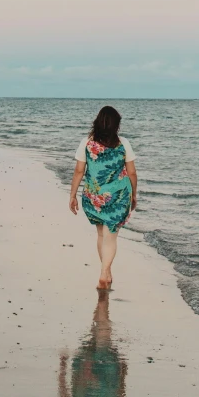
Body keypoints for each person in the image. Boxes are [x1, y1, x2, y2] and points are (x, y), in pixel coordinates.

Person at [69, 105, 137, 290]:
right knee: (111, 237)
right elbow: (132, 173)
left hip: (93, 196)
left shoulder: (87, 143)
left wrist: (73, 195)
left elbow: (79, 171)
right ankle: (104, 272)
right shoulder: (124, 144)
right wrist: (133, 196)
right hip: (119, 196)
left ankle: (105, 271)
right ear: (117, 125)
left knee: (101, 234)